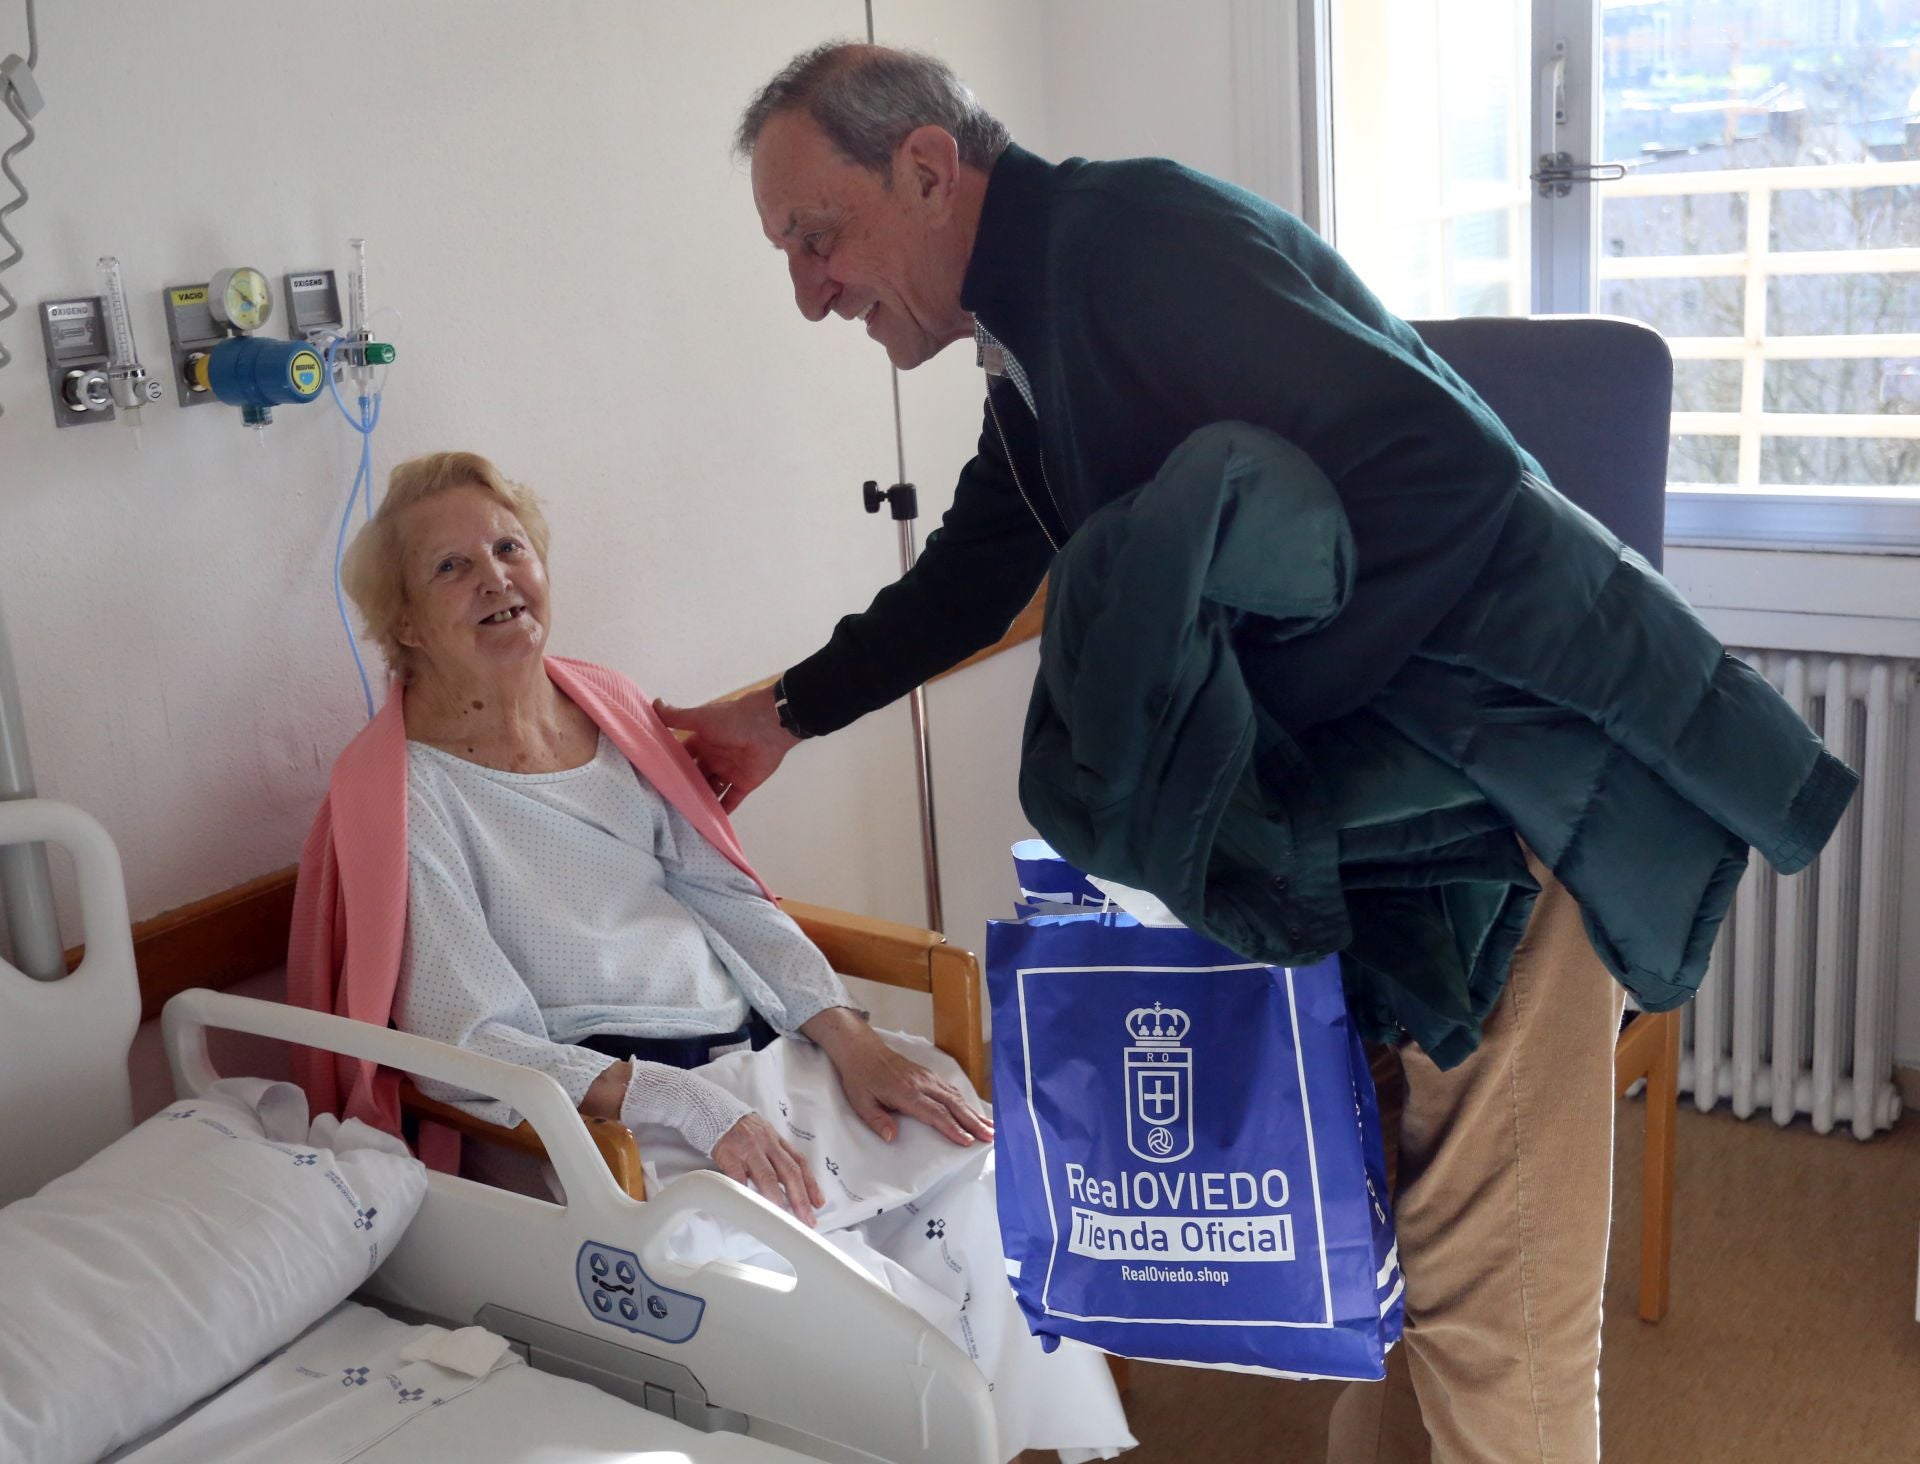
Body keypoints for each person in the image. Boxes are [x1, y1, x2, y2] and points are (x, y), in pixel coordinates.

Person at [659, 43, 1856, 1464]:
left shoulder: (1137, 247)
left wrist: (1247, 758)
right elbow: (983, 560)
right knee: (1405, 1269)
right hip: (1416, 809)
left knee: (1494, 1308)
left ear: (925, 170)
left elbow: (1449, 482)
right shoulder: (1036, 322)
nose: (810, 291)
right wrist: (782, 713)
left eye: (818, 236)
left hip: (1506, 798)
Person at [287, 450, 1136, 1464]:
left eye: (509, 548)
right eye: (452, 569)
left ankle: (1017, 1443)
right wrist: (683, 1104)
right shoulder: (404, 795)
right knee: (856, 1311)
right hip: (619, 1121)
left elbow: (725, 894)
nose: (497, 578)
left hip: (762, 1061)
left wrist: (848, 1035)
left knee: (981, 1169)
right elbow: (466, 1043)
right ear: (407, 628)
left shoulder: (605, 707)